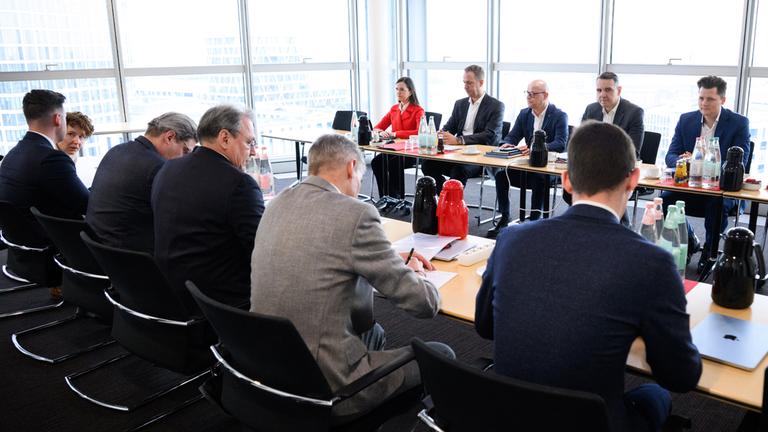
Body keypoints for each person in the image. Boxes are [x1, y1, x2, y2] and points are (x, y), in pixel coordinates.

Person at [476, 121, 701, 432]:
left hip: (509, 414)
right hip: (593, 422)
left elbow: (485, 326)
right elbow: (681, 376)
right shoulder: (652, 262)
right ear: (633, 179)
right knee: (655, 394)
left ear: (566, 181)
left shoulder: (511, 239)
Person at [250, 134, 452, 420]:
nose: (358, 188)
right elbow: (423, 305)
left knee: (374, 331)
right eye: (358, 178)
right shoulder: (356, 213)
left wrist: (388, 259)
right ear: (351, 167)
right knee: (441, 355)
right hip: (323, 387)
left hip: (268, 369)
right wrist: (414, 274)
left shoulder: (276, 205)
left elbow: (325, 252)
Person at [152, 105, 264, 306]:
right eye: (249, 142)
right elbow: (262, 250)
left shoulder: (168, 168)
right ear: (225, 138)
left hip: (172, 290)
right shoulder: (239, 184)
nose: (254, 151)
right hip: (223, 301)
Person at [0, 89, 90, 298]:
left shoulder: (15, 153)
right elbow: (87, 205)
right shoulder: (50, 158)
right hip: (50, 252)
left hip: (22, 248)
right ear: (58, 119)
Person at [662, 75, 750, 271]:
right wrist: (683, 161)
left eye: (710, 99)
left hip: (721, 191)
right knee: (666, 199)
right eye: (701, 98)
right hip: (690, 187)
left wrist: (703, 164)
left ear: (722, 100)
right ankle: (690, 238)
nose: (704, 103)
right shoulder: (686, 120)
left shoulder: (738, 123)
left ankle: (710, 252)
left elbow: (739, 162)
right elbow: (670, 155)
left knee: (716, 205)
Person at [86, 112, 198, 254]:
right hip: (131, 259)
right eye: (185, 151)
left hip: (99, 252)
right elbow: (181, 219)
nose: (184, 159)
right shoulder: (158, 167)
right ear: (169, 137)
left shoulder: (116, 150)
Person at [487, 80, 568, 238]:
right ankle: (504, 217)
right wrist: (507, 144)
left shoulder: (559, 115)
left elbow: (560, 143)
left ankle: (535, 221)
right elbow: (512, 136)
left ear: (545, 95)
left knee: (539, 179)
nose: (529, 97)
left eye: (533, 94)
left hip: (547, 168)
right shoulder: (524, 114)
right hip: (526, 165)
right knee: (501, 175)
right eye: (527, 93)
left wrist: (536, 149)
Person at [421, 65, 504, 193]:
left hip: (479, 157)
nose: (465, 86)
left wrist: (459, 140)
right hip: (457, 153)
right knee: (427, 164)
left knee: (459, 170)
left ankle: (451, 206)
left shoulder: (496, 106)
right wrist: (441, 134)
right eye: (464, 82)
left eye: (469, 83)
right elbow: (450, 126)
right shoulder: (460, 104)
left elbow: (490, 135)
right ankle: (443, 195)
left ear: (481, 82)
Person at [370, 77, 425, 199]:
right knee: (376, 162)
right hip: (395, 148)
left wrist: (395, 134)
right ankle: (385, 197)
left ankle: (397, 198)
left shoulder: (418, 110)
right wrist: (380, 132)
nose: (398, 93)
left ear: (410, 92)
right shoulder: (394, 109)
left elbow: (420, 132)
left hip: (411, 151)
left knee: (394, 162)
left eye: (402, 90)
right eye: (396, 89)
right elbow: (378, 127)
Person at [581, 72, 645, 157]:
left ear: (618, 91)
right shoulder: (591, 109)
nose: (602, 95)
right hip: (592, 165)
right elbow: (580, 143)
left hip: (619, 167)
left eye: (608, 90)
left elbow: (633, 153)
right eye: (599, 90)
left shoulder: (634, 113)